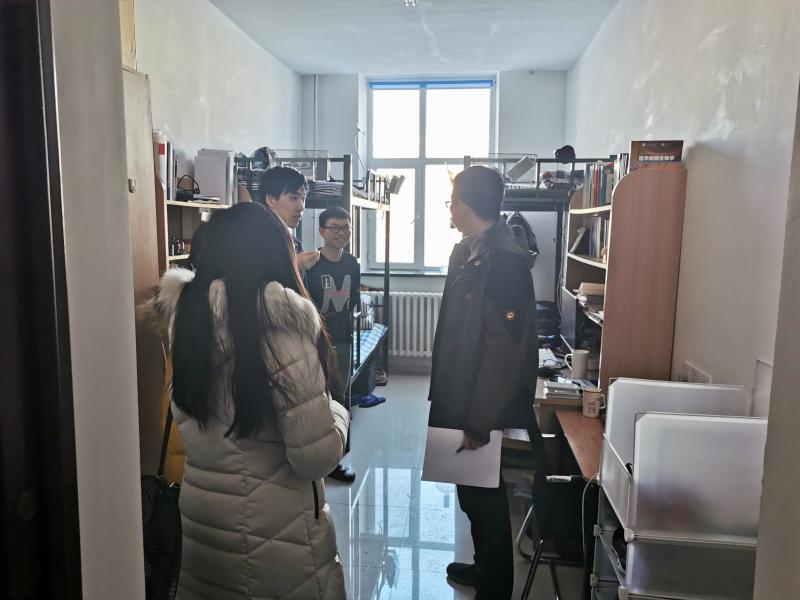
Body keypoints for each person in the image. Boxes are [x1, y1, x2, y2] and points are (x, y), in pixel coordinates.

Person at [151, 202, 349, 600]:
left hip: (203, 526)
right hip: (276, 537)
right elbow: (314, 458)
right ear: (274, 254)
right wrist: (338, 414)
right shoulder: (281, 326)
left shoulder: (187, 321)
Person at [428, 166, 538, 600]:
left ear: (465, 205)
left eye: (452, 201)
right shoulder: (470, 251)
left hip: (478, 403)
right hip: (460, 390)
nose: (450, 210)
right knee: (470, 493)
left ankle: (495, 588)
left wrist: (478, 421)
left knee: (484, 496)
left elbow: (504, 352)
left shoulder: (505, 261)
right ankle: (483, 566)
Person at [306, 206, 360, 484]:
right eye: (335, 228)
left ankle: (338, 454)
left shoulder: (352, 263)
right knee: (321, 396)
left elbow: (353, 302)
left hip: (344, 338)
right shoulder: (311, 264)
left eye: (346, 228)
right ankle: (324, 458)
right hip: (317, 340)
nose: (341, 233)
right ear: (322, 231)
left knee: (341, 395)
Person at [256, 165, 320, 284]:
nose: (301, 207)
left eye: (303, 198)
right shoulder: (254, 239)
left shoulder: (295, 243)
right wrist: (294, 265)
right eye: (294, 198)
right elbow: (250, 282)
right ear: (271, 199)